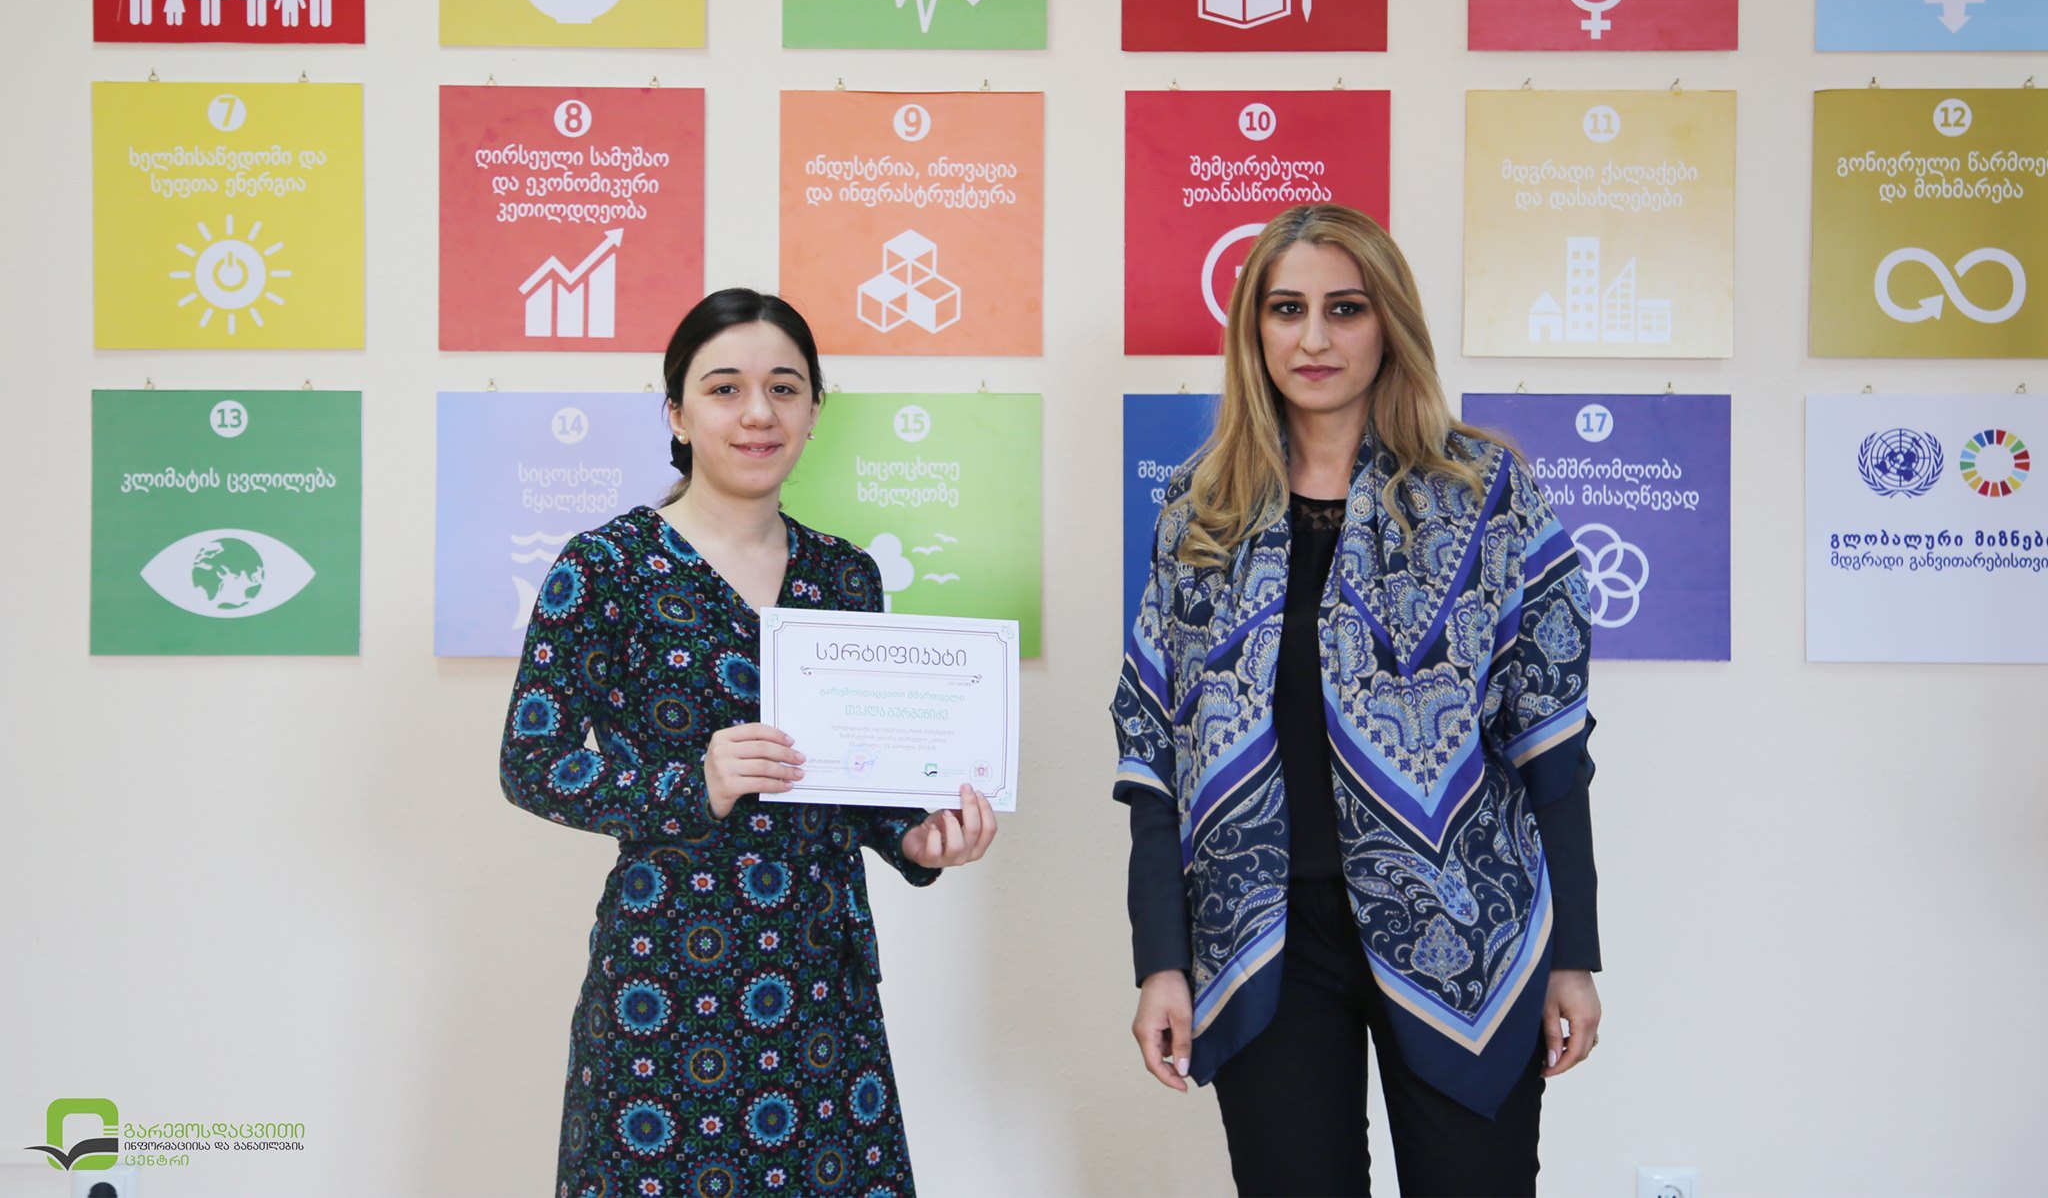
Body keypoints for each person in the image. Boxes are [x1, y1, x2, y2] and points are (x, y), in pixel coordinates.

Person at [1112, 204, 1602, 1197]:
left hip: (1464, 927)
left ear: (1389, 324)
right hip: (1261, 939)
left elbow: (1550, 740)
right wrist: (1160, 959)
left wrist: (1573, 955)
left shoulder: (1486, 494)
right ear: (1252, 328)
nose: (1314, 338)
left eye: (1345, 308)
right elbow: (1155, 752)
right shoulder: (1201, 507)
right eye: (1285, 309)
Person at [501, 288, 996, 1197]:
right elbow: (532, 763)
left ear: (814, 411)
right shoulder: (605, 566)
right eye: (725, 388)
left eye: (784, 388)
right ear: (676, 412)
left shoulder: (845, 575)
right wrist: (691, 782)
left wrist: (914, 837)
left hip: (818, 982)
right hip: (665, 982)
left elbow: (857, 772)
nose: (758, 412)